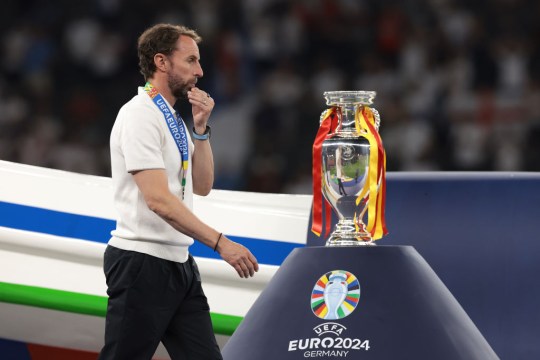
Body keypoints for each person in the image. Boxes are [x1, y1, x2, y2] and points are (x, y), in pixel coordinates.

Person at [99, 23, 259, 360]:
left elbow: (202, 186)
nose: (200, 71)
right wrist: (220, 243)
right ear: (161, 62)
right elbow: (157, 199)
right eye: (191, 61)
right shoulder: (139, 115)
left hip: (178, 264)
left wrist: (200, 129)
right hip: (141, 261)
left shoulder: (172, 118)